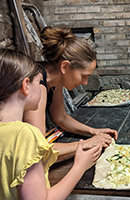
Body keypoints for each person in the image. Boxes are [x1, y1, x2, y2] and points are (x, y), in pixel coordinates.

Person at [0, 49, 104, 199]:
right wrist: (80, 166)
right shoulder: (25, 135)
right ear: (26, 85)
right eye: (38, 81)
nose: (42, 84)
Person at [23, 27, 114, 162]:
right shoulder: (37, 85)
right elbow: (39, 149)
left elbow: (61, 118)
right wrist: (87, 144)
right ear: (65, 67)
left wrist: (93, 132)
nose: (85, 82)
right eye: (84, 76)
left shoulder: (55, 80)